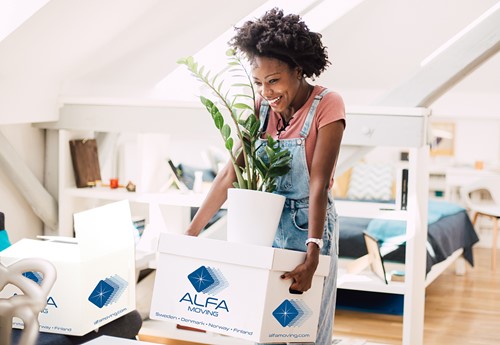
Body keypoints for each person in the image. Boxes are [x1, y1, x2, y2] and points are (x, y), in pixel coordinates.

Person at [185, 8, 345, 345]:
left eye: (274, 81)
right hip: (266, 225)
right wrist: (192, 231)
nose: (266, 91)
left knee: (305, 329)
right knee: (263, 328)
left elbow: (318, 185)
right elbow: (232, 172)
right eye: (258, 83)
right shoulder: (260, 109)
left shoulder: (328, 105)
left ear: (298, 70)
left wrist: (312, 255)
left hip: (310, 227)